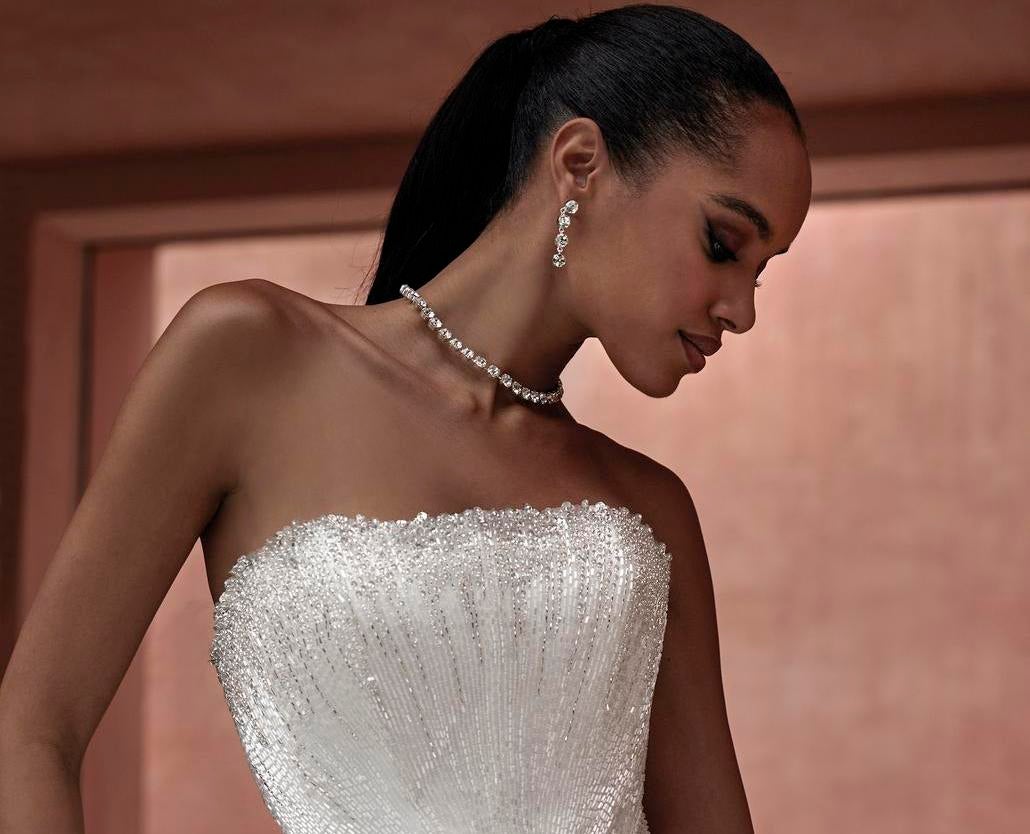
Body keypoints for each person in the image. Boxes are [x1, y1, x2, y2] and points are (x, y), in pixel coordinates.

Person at [0, 4, 811, 832]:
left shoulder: (651, 512)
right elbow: (32, 734)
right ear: (580, 163)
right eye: (722, 242)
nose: (742, 309)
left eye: (762, 270)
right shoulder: (250, 357)